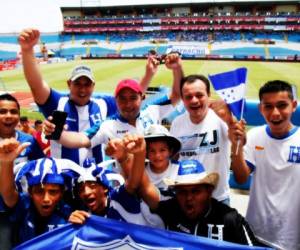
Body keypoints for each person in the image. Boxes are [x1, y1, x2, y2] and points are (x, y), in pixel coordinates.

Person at [18, 28, 161, 165]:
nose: (82, 89)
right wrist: (27, 50)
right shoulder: (57, 103)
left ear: (93, 86)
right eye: (78, 84)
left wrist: (149, 74)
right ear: (69, 84)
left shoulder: (103, 104)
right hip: (63, 177)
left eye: (87, 84)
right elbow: (36, 85)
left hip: (95, 178)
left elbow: (131, 97)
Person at [116, 134, 261, 246]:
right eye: (183, 192)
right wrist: (138, 154)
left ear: (209, 191)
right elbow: (145, 187)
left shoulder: (230, 219)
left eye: (196, 191)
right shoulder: (172, 209)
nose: (189, 198)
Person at [229, 80, 300, 250]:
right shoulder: (254, 136)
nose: (275, 113)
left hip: (292, 237)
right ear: (261, 109)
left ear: (294, 106)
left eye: (282, 105)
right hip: (256, 232)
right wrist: (236, 147)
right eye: (268, 106)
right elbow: (240, 178)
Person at [44, 67, 182, 154]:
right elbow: (81, 139)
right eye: (122, 99)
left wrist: (177, 68)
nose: (128, 104)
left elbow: (176, 95)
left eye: (133, 98)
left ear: (142, 97)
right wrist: (57, 133)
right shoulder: (107, 125)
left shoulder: (152, 110)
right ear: (115, 101)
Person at [0, 138, 81, 246]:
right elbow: (8, 193)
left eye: (53, 192)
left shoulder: (70, 212)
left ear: (61, 193)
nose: (46, 199)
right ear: (30, 192)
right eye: (39, 191)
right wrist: (7, 163)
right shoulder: (23, 205)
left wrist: (82, 220)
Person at [68, 134, 158, 227]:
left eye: (92, 185)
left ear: (105, 188)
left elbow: (134, 182)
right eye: (81, 189)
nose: (86, 192)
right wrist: (74, 222)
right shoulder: (84, 214)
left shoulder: (119, 198)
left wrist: (139, 153)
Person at [170, 74, 232, 204]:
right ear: (182, 99)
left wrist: (232, 122)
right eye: (188, 97)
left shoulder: (222, 119)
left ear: (208, 95)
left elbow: (240, 142)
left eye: (199, 95)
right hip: (187, 200)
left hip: (218, 198)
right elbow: (174, 158)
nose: (194, 100)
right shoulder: (177, 123)